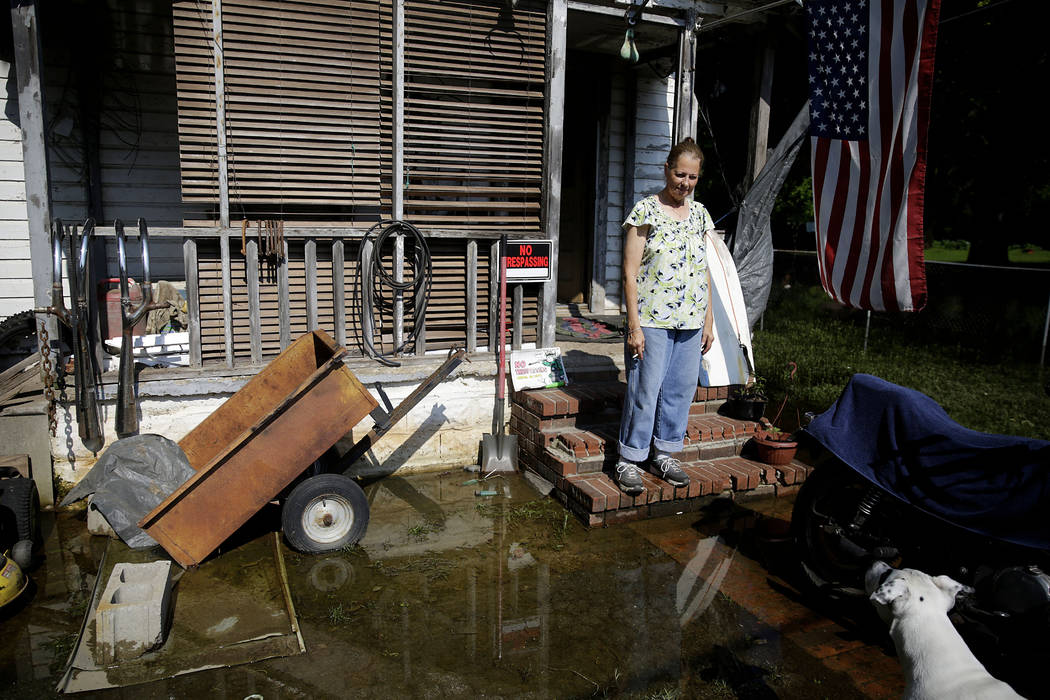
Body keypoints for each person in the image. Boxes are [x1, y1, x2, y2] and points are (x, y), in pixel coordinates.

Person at [615, 137, 715, 495]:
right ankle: (629, 458)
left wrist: (708, 320)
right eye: (679, 174)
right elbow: (629, 272)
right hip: (652, 320)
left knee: (679, 391)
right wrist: (634, 326)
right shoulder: (645, 210)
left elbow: (705, 269)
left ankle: (666, 452)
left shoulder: (701, 214)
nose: (684, 183)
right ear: (666, 170)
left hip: (690, 321)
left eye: (692, 177)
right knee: (645, 389)